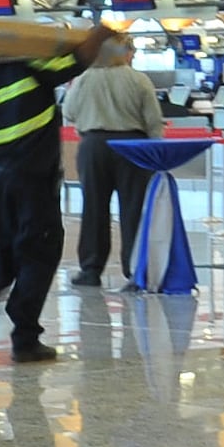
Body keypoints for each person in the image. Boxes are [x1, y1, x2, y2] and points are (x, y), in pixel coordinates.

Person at [0, 26, 95, 360]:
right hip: (32, 178)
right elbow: (80, 59)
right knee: (39, 251)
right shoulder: (32, 70)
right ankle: (25, 337)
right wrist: (102, 33)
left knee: (4, 249)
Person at [63, 30, 165, 287]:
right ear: (125, 53)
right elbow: (153, 121)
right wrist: (155, 154)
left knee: (94, 209)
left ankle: (91, 269)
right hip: (132, 146)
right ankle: (134, 272)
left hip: (93, 146)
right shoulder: (138, 79)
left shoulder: (84, 78)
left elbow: (69, 112)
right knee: (133, 209)